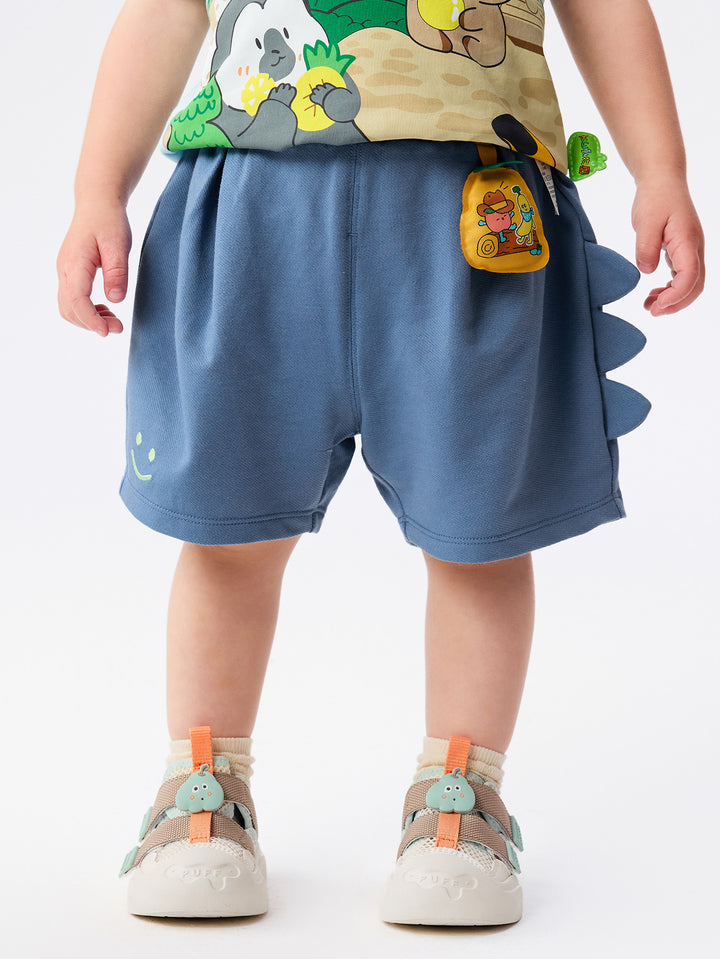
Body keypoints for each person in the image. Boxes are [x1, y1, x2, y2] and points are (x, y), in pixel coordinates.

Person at [56, 0, 704, 925]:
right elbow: (165, 10)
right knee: (228, 530)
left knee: (478, 535)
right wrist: (96, 189)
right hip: (252, 210)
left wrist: (662, 168)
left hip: (478, 217)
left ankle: (461, 800)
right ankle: (202, 786)